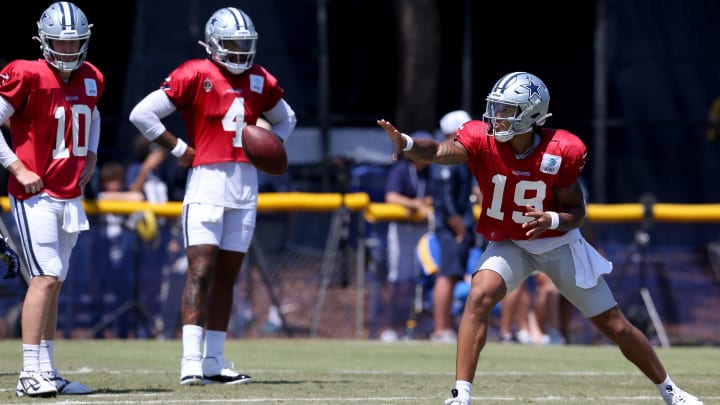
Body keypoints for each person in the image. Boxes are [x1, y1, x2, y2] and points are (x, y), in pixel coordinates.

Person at [377, 71, 703, 405]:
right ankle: (461, 395)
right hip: (510, 242)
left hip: (557, 242)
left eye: (506, 111)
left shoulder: (561, 150)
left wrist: (551, 218)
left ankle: (670, 390)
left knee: (616, 326)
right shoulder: (482, 139)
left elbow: (578, 211)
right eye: (496, 108)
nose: (495, 117)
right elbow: (441, 151)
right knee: (479, 296)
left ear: (531, 115)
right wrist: (410, 145)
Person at [129, 6, 296, 386]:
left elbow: (288, 119)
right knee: (200, 270)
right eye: (232, 44)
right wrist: (176, 149)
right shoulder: (195, 73)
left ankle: (214, 360)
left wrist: (269, 145)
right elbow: (143, 114)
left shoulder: (260, 79)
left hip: (246, 184)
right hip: (206, 181)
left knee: (227, 277)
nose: (239, 51)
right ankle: (190, 360)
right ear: (214, 44)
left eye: (244, 44)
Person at [0, 2, 101, 398]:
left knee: (55, 281)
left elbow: (90, 119)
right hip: (35, 194)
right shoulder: (26, 73)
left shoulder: (92, 77)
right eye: (59, 42)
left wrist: (91, 153)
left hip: (69, 192)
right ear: (43, 41)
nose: (67, 50)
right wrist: (17, 167)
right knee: (43, 278)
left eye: (74, 42)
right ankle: (29, 373)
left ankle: (48, 370)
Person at [380, 132, 433, 342]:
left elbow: (435, 197)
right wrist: (415, 204)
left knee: (422, 278)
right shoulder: (402, 169)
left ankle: (420, 327)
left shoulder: (432, 172)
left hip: (423, 229)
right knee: (399, 279)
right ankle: (392, 326)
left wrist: (427, 202)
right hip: (402, 230)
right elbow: (391, 197)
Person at [429, 110, 477, 343]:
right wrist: (459, 228)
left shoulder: (459, 156)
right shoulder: (446, 155)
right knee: (447, 276)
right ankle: (441, 328)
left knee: (453, 275)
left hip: (457, 227)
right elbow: (446, 199)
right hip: (451, 229)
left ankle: (446, 327)